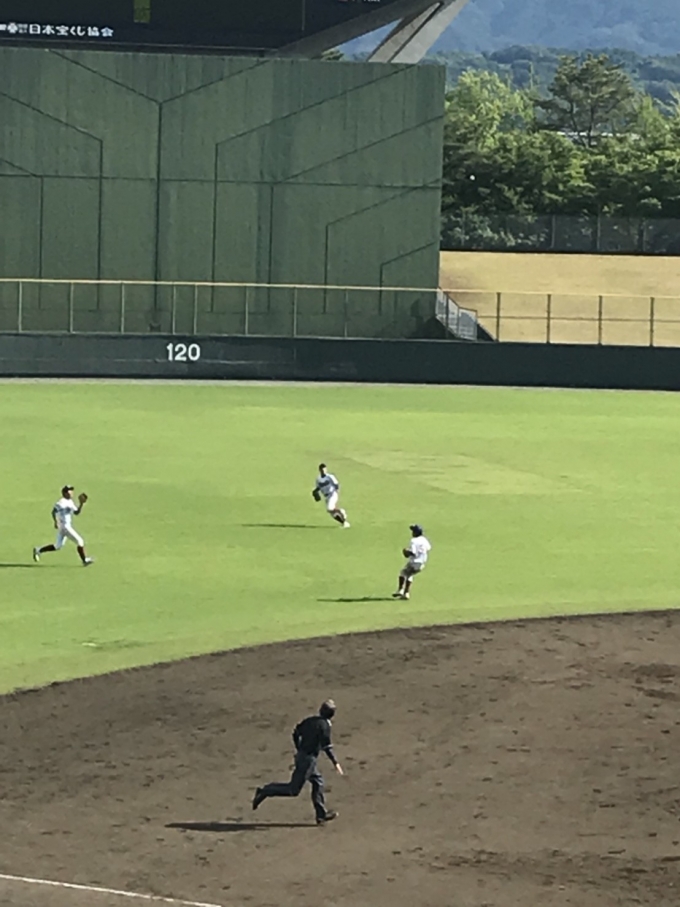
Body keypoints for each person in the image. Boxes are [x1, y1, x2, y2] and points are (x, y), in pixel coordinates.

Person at [252, 699, 343, 825]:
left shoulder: (310, 720)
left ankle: (321, 815)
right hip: (308, 761)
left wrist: (299, 748)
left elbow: (296, 732)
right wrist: (335, 762)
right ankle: (265, 791)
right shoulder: (324, 726)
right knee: (293, 789)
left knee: (318, 782)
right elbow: (327, 747)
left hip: (302, 757)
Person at [33, 485, 94, 566]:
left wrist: (81, 504)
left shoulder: (70, 501)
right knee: (80, 541)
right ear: (64, 493)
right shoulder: (61, 502)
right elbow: (54, 511)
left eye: (71, 490)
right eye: (69, 491)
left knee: (57, 546)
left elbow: (76, 512)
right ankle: (84, 560)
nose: (71, 492)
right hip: (65, 527)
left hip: (64, 527)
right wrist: (55, 521)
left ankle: (38, 550)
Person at [392, 524, 431, 600]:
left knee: (403, 573)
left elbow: (413, 553)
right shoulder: (424, 540)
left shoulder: (414, 540)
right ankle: (406, 593)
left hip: (414, 562)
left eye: (413, 531)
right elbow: (428, 548)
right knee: (409, 575)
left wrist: (406, 551)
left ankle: (400, 590)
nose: (412, 533)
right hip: (422, 563)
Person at [312, 463, 350, 527]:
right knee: (332, 513)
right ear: (320, 470)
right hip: (326, 497)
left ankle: (341, 511)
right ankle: (343, 522)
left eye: (325, 470)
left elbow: (336, 485)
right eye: (322, 470)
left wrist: (337, 492)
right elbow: (318, 487)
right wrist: (315, 492)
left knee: (330, 508)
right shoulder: (318, 479)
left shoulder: (330, 477)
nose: (324, 471)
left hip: (332, 494)